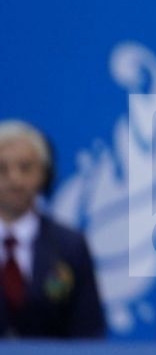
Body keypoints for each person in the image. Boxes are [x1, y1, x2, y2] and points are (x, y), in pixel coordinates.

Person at [0, 120, 104, 340]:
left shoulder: (70, 246)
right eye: (2, 169)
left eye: (25, 167)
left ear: (44, 175)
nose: (14, 179)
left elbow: (89, 331)